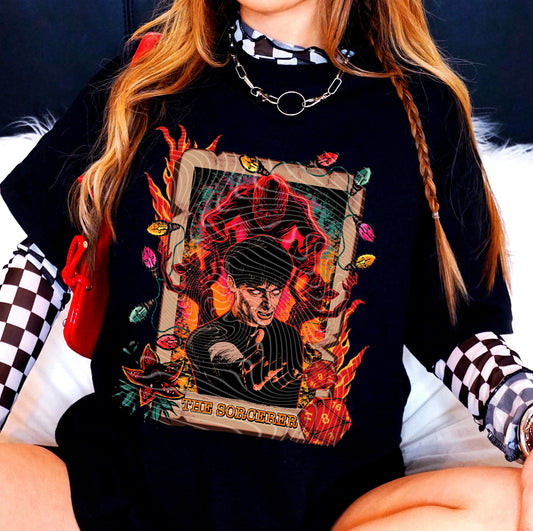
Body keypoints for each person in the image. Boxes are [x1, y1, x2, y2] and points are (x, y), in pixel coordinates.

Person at [0, 0, 532, 529]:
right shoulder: (145, 79)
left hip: (325, 511)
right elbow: (40, 267)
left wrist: (527, 419)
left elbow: (459, 329)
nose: (265, 300)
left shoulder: (420, 109)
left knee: (508, 505)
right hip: (122, 497)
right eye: (253, 287)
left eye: (274, 289)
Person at [185, 235, 304, 407]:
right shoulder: (202, 337)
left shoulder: (289, 336)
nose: (268, 304)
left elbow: (289, 406)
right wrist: (240, 368)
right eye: (256, 292)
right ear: (232, 284)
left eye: (276, 292)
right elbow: (219, 352)